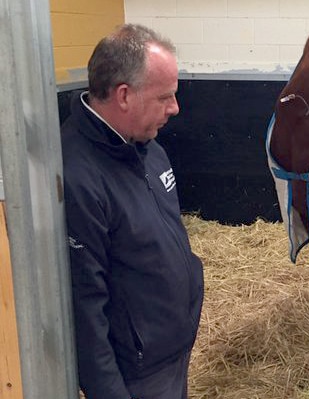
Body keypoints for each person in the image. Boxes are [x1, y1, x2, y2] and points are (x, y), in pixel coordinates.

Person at [61, 24, 204, 399]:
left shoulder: (147, 146)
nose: (175, 108)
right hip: (138, 374)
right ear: (124, 95)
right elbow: (85, 308)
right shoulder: (77, 176)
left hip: (171, 348)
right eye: (165, 97)